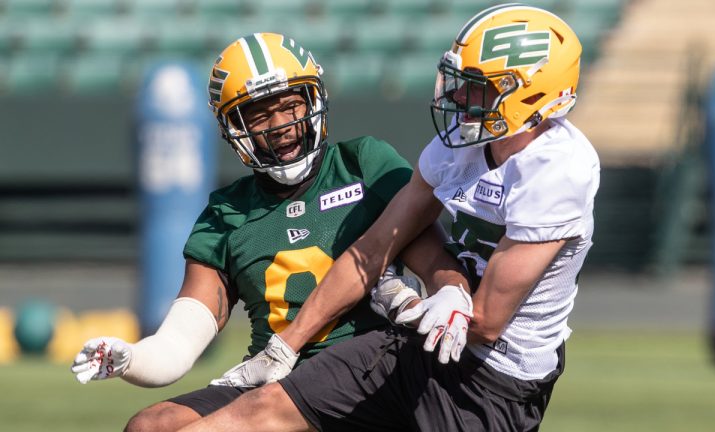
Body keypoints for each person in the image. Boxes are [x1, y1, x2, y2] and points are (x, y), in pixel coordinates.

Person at [178, 4, 601, 432]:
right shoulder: (459, 149)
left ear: (528, 95)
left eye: (477, 88)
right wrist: (284, 347)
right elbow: (373, 248)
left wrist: (406, 302)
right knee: (259, 410)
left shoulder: (557, 170)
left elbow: (488, 322)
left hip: (494, 378)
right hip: (420, 344)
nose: (456, 98)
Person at [69, 32, 468, 432]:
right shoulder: (226, 212)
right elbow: (180, 342)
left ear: (314, 101)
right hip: (272, 372)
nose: (280, 125)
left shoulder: (363, 163)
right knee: (151, 425)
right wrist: (133, 359)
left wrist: (450, 288)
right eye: (258, 115)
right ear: (232, 127)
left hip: (368, 369)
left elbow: (433, 258)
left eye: (291, 105)